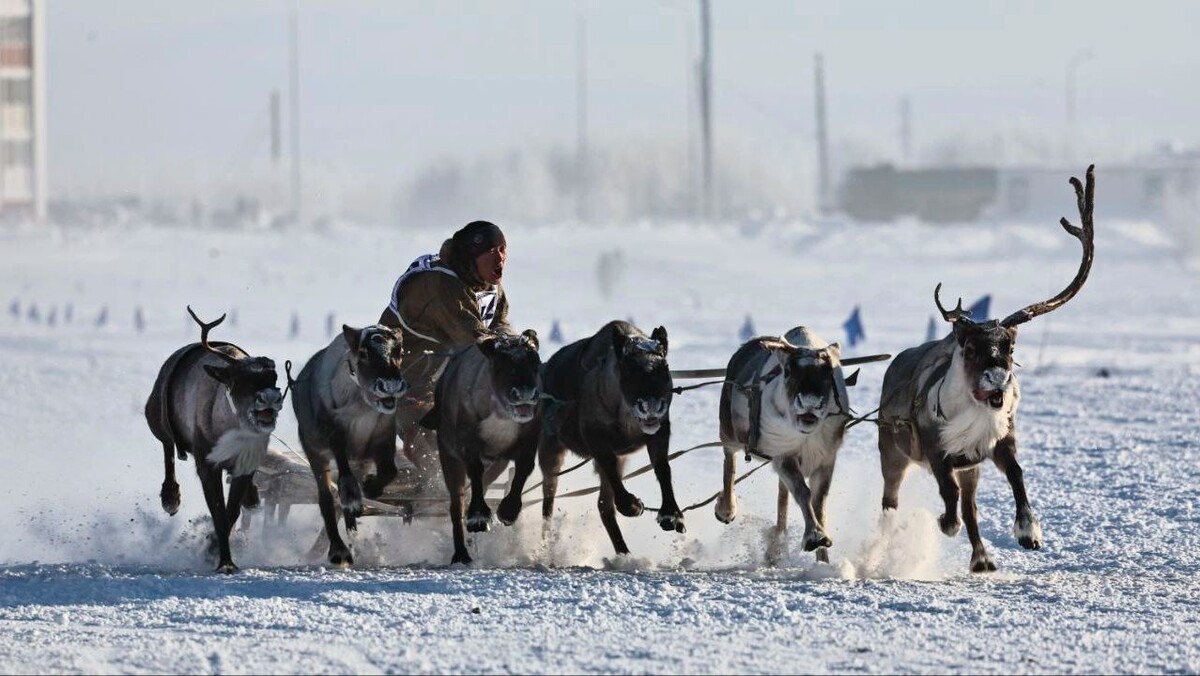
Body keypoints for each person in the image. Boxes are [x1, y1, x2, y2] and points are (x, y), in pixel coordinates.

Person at [378, 220, 513, 494]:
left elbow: (500, 325)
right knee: (436, 451)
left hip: (446, 381)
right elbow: (474, 339)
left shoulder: (487, 283)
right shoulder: (439, 285)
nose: (499, 258)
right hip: (403, 383)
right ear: (471, 257)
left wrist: (522, 351)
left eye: (502, 249)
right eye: (490, 251)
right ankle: (442, 505)